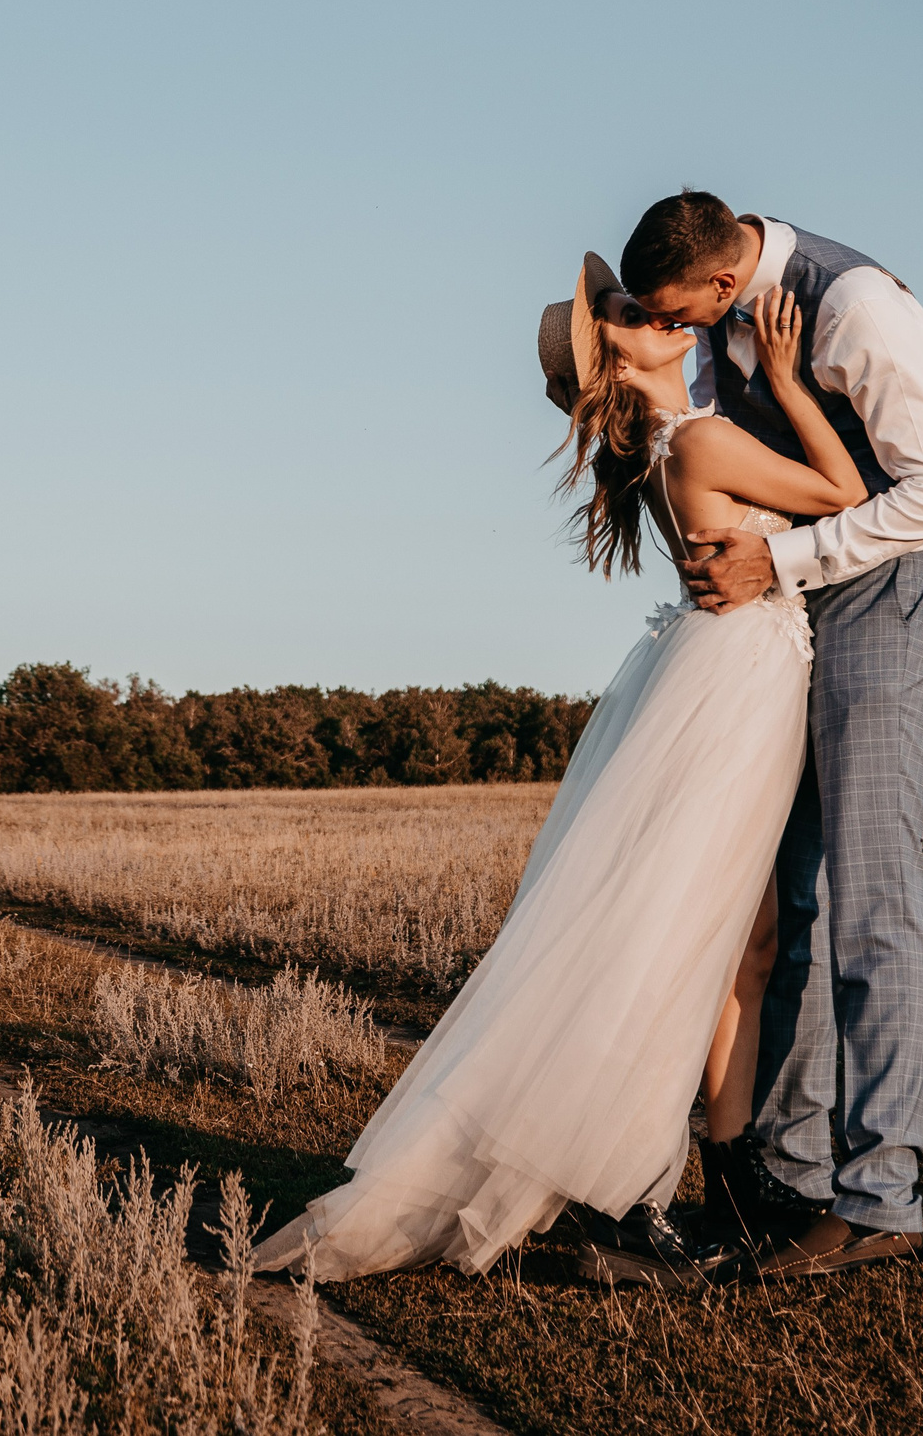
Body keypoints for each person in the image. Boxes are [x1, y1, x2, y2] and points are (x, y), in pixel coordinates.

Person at [250, 257, 868, 1285]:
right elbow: (845, 495)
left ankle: (726, 1175)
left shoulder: (685, 442)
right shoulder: (704, 441)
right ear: (615, 367)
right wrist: (797, 385)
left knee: (742, 942)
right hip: (731, 692)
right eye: (629, 317)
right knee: (674, 938)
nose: (654, 315)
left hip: (731, 680)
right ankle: (625, 1191)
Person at [622, 190, 923, 1277]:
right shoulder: (722, 306)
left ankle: (878, 1200)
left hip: (879, 597)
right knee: (797, 897)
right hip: (789, 623)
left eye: (678, 313)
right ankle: (794, 1172)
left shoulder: (857, 306)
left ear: (725, 283)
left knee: (870, 897)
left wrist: (775, 564)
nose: (673, 330)